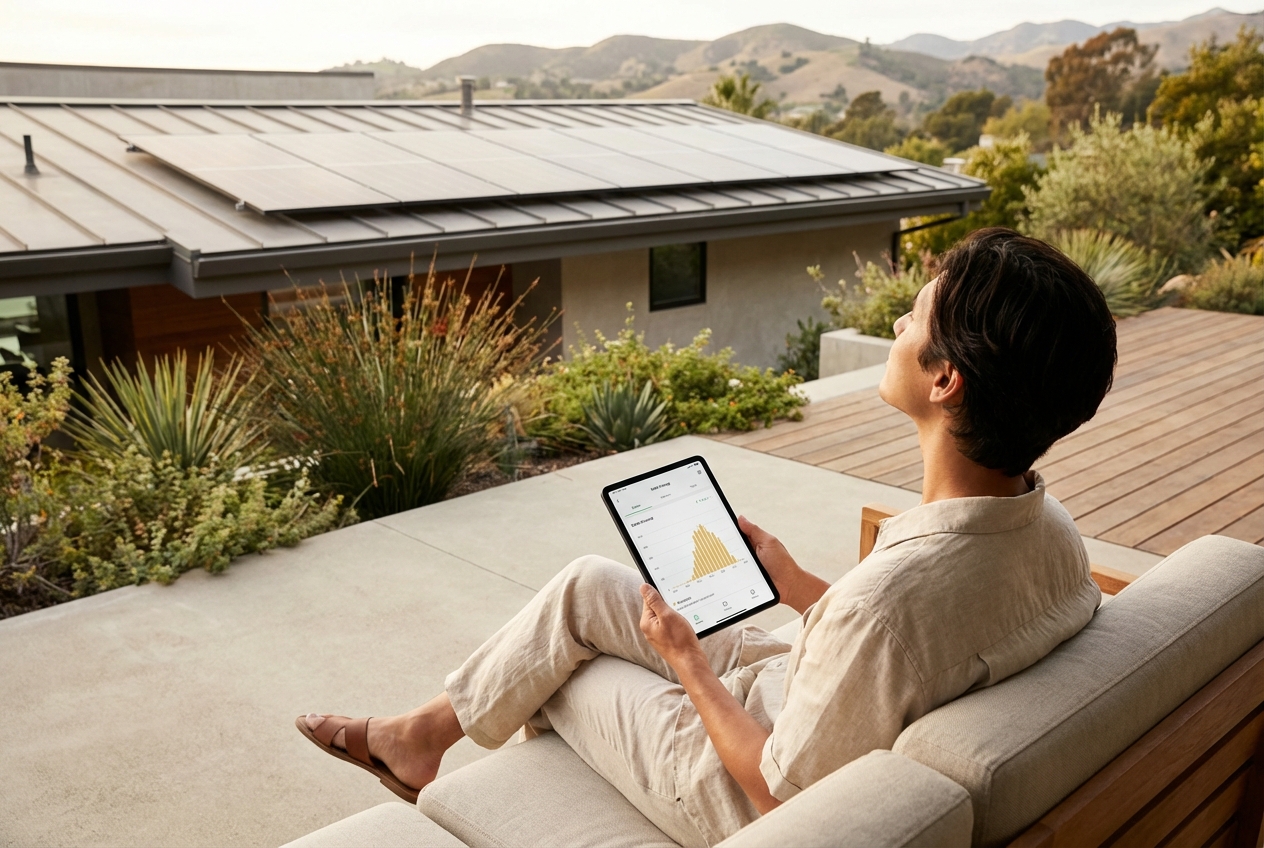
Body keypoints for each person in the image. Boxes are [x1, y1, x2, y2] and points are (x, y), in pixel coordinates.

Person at [298, 228, 1117, 847]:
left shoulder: (886, 607)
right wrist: (795, 582)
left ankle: (450, 764)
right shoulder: (1051, 533)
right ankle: (416, 740)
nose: (899, 321)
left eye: (914, 315)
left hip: (738, 784)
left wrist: (687, 660)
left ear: (946, 379)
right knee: (588, 585)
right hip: (800, 693)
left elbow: (776, 791)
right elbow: (906, 647)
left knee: (557, 669)